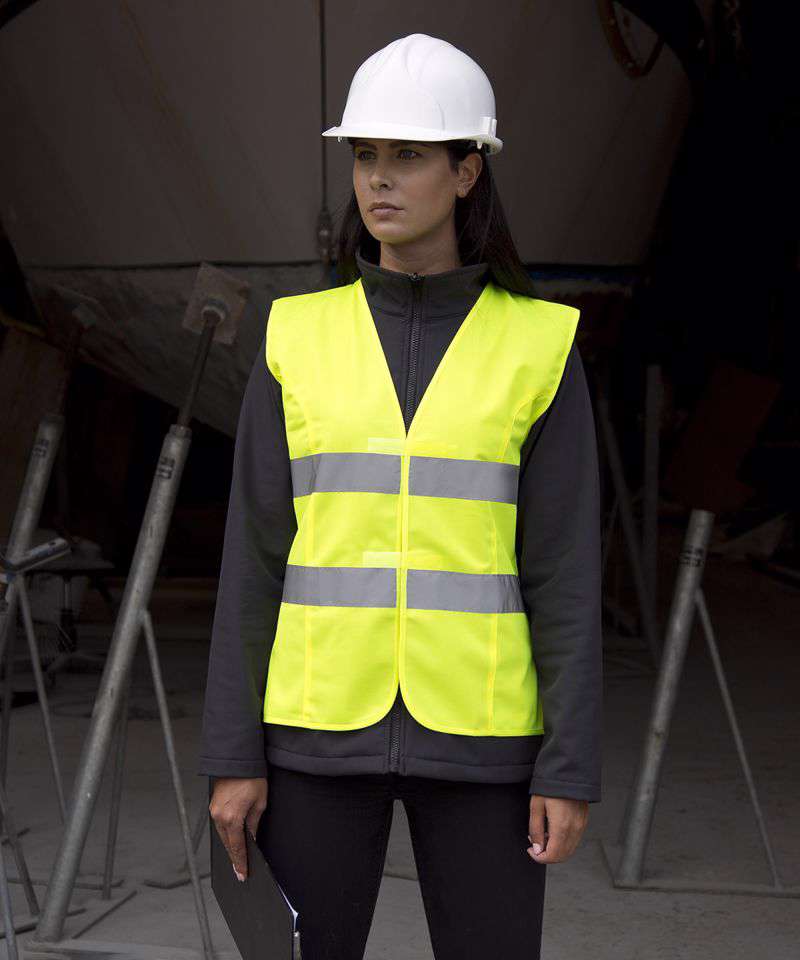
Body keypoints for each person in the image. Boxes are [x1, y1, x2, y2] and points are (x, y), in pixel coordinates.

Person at [200, 32, 602, 960]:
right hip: (312, 737)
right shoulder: (294, 338)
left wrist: (569, 764)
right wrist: (231, 755)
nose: (379, 178)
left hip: (484, 743)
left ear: (467, 173)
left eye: (409, 156)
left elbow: (566, 574)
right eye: (366, 155)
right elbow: (252, 561)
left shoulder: (540, 346)